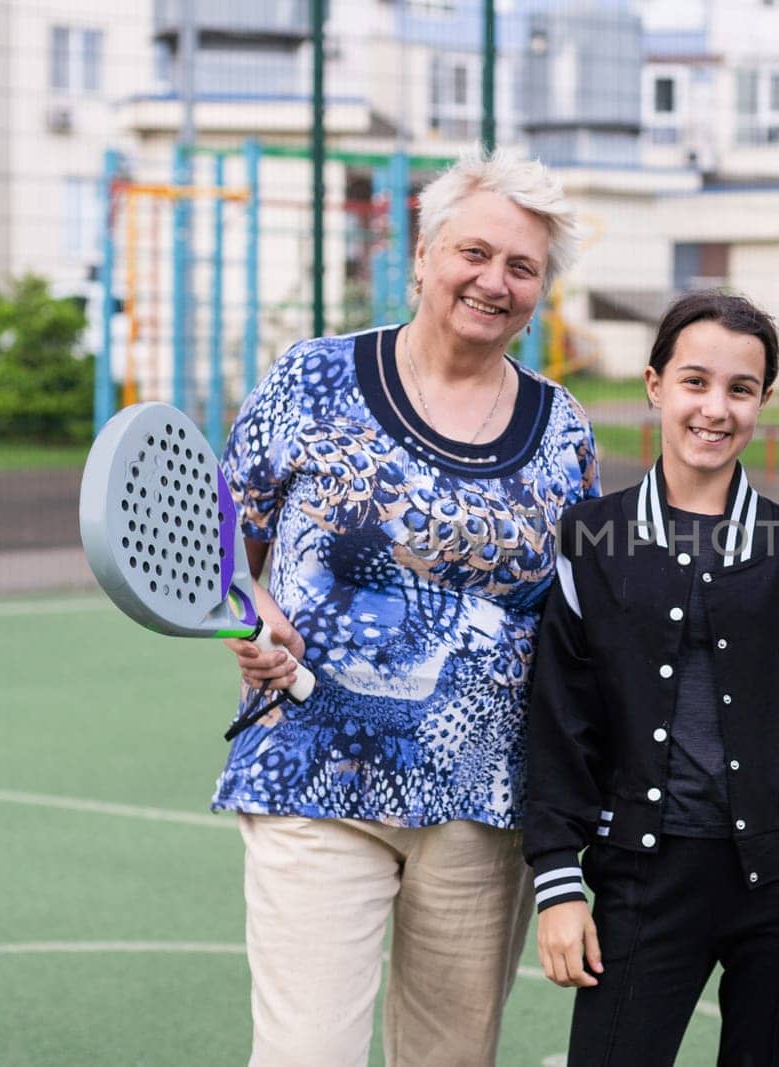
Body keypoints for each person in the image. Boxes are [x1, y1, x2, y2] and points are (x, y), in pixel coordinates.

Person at [216, 145, 598, 1066]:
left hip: (482, 804)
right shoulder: (313, 379)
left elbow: (579, 624)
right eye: (474, 252)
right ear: (423, 256)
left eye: (522, 267)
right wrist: (248, 619)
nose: (493, 281)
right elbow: (221, 540)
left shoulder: (565, 433)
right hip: (314, 772)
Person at [524, 291, 779, 1066]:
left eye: (740, 388)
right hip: (642, 876)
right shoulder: (591, 542)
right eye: (695, 381)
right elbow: (560, 721)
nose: (715, 408)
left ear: (763, 402)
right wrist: (558, 880)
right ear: (655, 384)